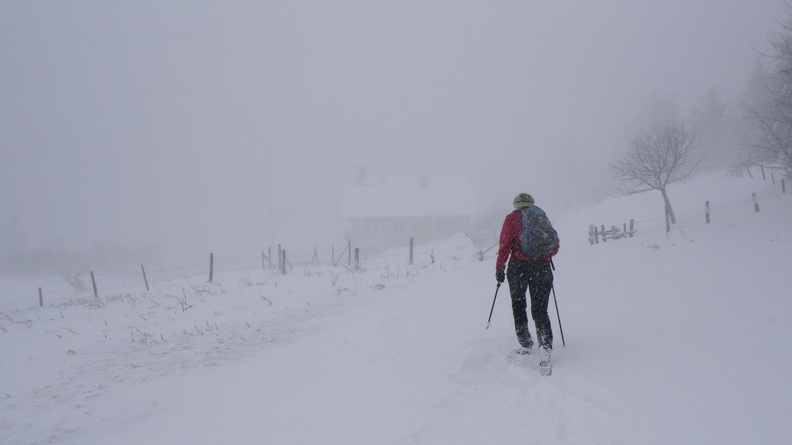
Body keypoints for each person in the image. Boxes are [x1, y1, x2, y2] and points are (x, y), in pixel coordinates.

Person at [495, 193, 559, 367]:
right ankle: (545, 345)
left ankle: (525, 342)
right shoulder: (540, 216)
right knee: (540, 309)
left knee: (518, 304)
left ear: (516, 204)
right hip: (542, 268)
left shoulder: (512, 218)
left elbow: (504, 245)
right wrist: (541, 256)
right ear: (531, 203)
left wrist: (500, 268)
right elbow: (554, 246)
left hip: (518, 268)